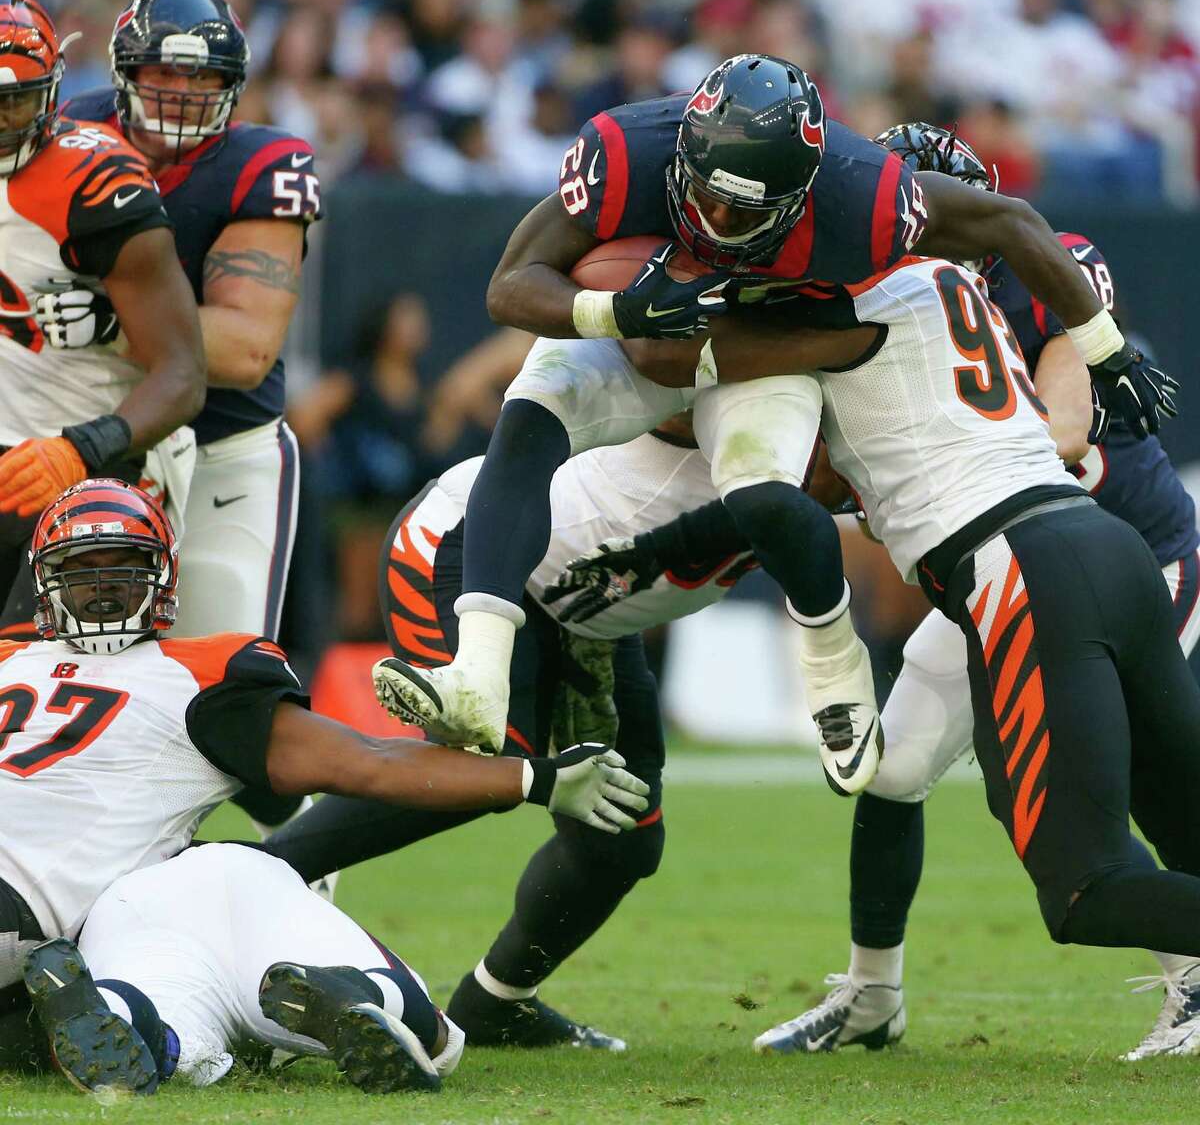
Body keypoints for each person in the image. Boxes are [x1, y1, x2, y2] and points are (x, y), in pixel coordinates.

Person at [372, 53, 1170, 791]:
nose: (714, 216)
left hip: (763, 351)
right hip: (644, 312)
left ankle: (832, 660)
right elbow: (510, 286)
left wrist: (1103, 348)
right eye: (704, 189)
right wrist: (614, 307)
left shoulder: (866, 199)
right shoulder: (630, 150)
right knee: (531, 407)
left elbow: (1006, 224)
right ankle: (478, 668)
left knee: (765, 495)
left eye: (739, 206)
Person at [555, 186, 1200, 1053]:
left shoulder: (857, 304)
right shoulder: (960, 288)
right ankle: (871, 995)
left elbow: (739, 424)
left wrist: (637, 311)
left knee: (1087, 886)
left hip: (1043, 569)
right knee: (935, 781)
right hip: (1083, 550)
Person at [749, 124, 1200, 1063]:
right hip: (1015, 570)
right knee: (902, 768)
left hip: (1125, 554)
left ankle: (1190, 983)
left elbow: (1064, 430)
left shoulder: (1033, 275)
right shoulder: (900, 302)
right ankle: (872, 996)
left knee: (1098, 845)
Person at [0, 479, 649, 1089]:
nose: (105, 589)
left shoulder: (8, 662)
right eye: (90, 571)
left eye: (122, 568)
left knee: (153, 995)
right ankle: (362, 997)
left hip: (60, 920)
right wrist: (535, 779)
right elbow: (368, 762)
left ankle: (126, 1018)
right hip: (52, 918)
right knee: (423, 1032)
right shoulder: (197, 674)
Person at [267, 410, 854, 1051]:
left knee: (622, 834)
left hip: (583, 612)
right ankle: (260, 871)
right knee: (486, 760)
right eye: (847, 452)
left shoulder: (801, 485)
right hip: (471, 551)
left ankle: (497, 1002)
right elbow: (677, 383)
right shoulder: (724, 422)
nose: (857, 475)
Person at [45, 0, 325, 851]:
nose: (184, 98)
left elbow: (241, 348)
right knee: (58, 674)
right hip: (85, 448)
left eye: (205, 84)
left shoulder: (263, 163)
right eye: (166, 76)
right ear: (126, 71)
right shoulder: (60, 136)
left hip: (223, 450)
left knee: (227, 692)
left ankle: (304, 873)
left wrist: (103, 312)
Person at [0, 0, 205, 634]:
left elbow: (182, 373)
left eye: (17, 102)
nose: (4, 122)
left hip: (94, 469)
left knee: (37, 686)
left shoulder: (93, 183)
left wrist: (83, 448)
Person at [23, 844, 465, 1095]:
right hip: (250, 882)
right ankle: (357, 990)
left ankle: (114, 1007)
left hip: (131, 902)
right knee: (436, 1037)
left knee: (173, 1036)